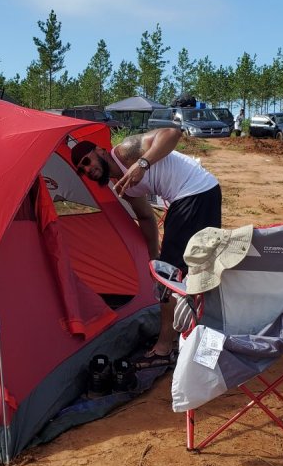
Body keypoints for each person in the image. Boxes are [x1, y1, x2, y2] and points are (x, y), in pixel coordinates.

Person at [70, 127, 222, 366]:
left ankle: (164, 348)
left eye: (87, 161)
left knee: (172, 277)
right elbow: (146, 218)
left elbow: (173, 133)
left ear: (99, 150)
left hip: (193, 193)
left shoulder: (125, 152)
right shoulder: (122, 185)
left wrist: (142, 163)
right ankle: (199, 335)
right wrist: (153, 257)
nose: (88, 169)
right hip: (202, 193)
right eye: (82, 169)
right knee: (193, 269)